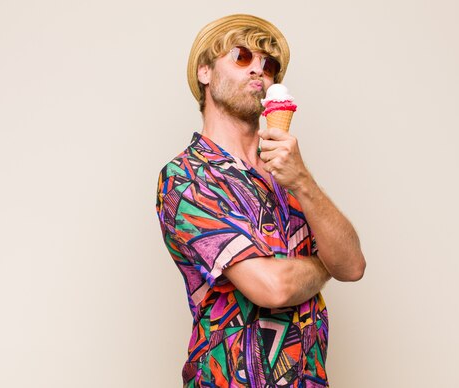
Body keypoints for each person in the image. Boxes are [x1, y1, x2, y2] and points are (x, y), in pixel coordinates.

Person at [156, 14, 365, 387]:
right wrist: (324, 265)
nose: (258, 71)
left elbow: (351, 265)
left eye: (269, 65)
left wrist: (302, 181)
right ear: (204, 72)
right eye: (241, 57)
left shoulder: (288, 173)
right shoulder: (188, 177)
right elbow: (272, 287)